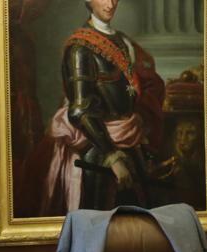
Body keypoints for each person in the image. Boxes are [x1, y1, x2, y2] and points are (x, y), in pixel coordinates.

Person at [28, 0, 167, 215]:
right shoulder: (79, 49)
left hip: (131, 139)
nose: (111, 3)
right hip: (97, 147)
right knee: (99, 219)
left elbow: (142, 86)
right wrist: (112, 157)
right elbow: (80, 110)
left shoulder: (124, 42)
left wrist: (139, 119)